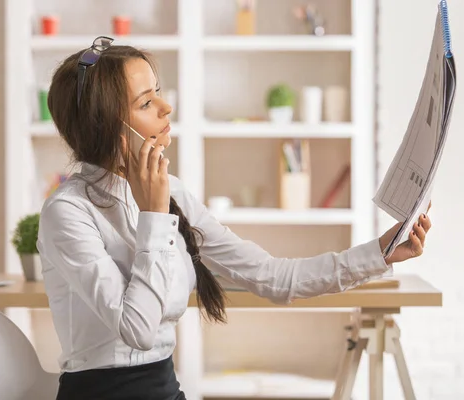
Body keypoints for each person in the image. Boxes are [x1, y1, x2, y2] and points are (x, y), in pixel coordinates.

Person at [37, 36, 432, 400]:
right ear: (108, 129)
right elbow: (137, 329)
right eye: (145, 103)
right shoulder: (68, 212)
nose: (166, 107)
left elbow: (274, 277)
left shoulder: (172, 192)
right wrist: (154, 216)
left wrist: (381, 252)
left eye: (158, 91)